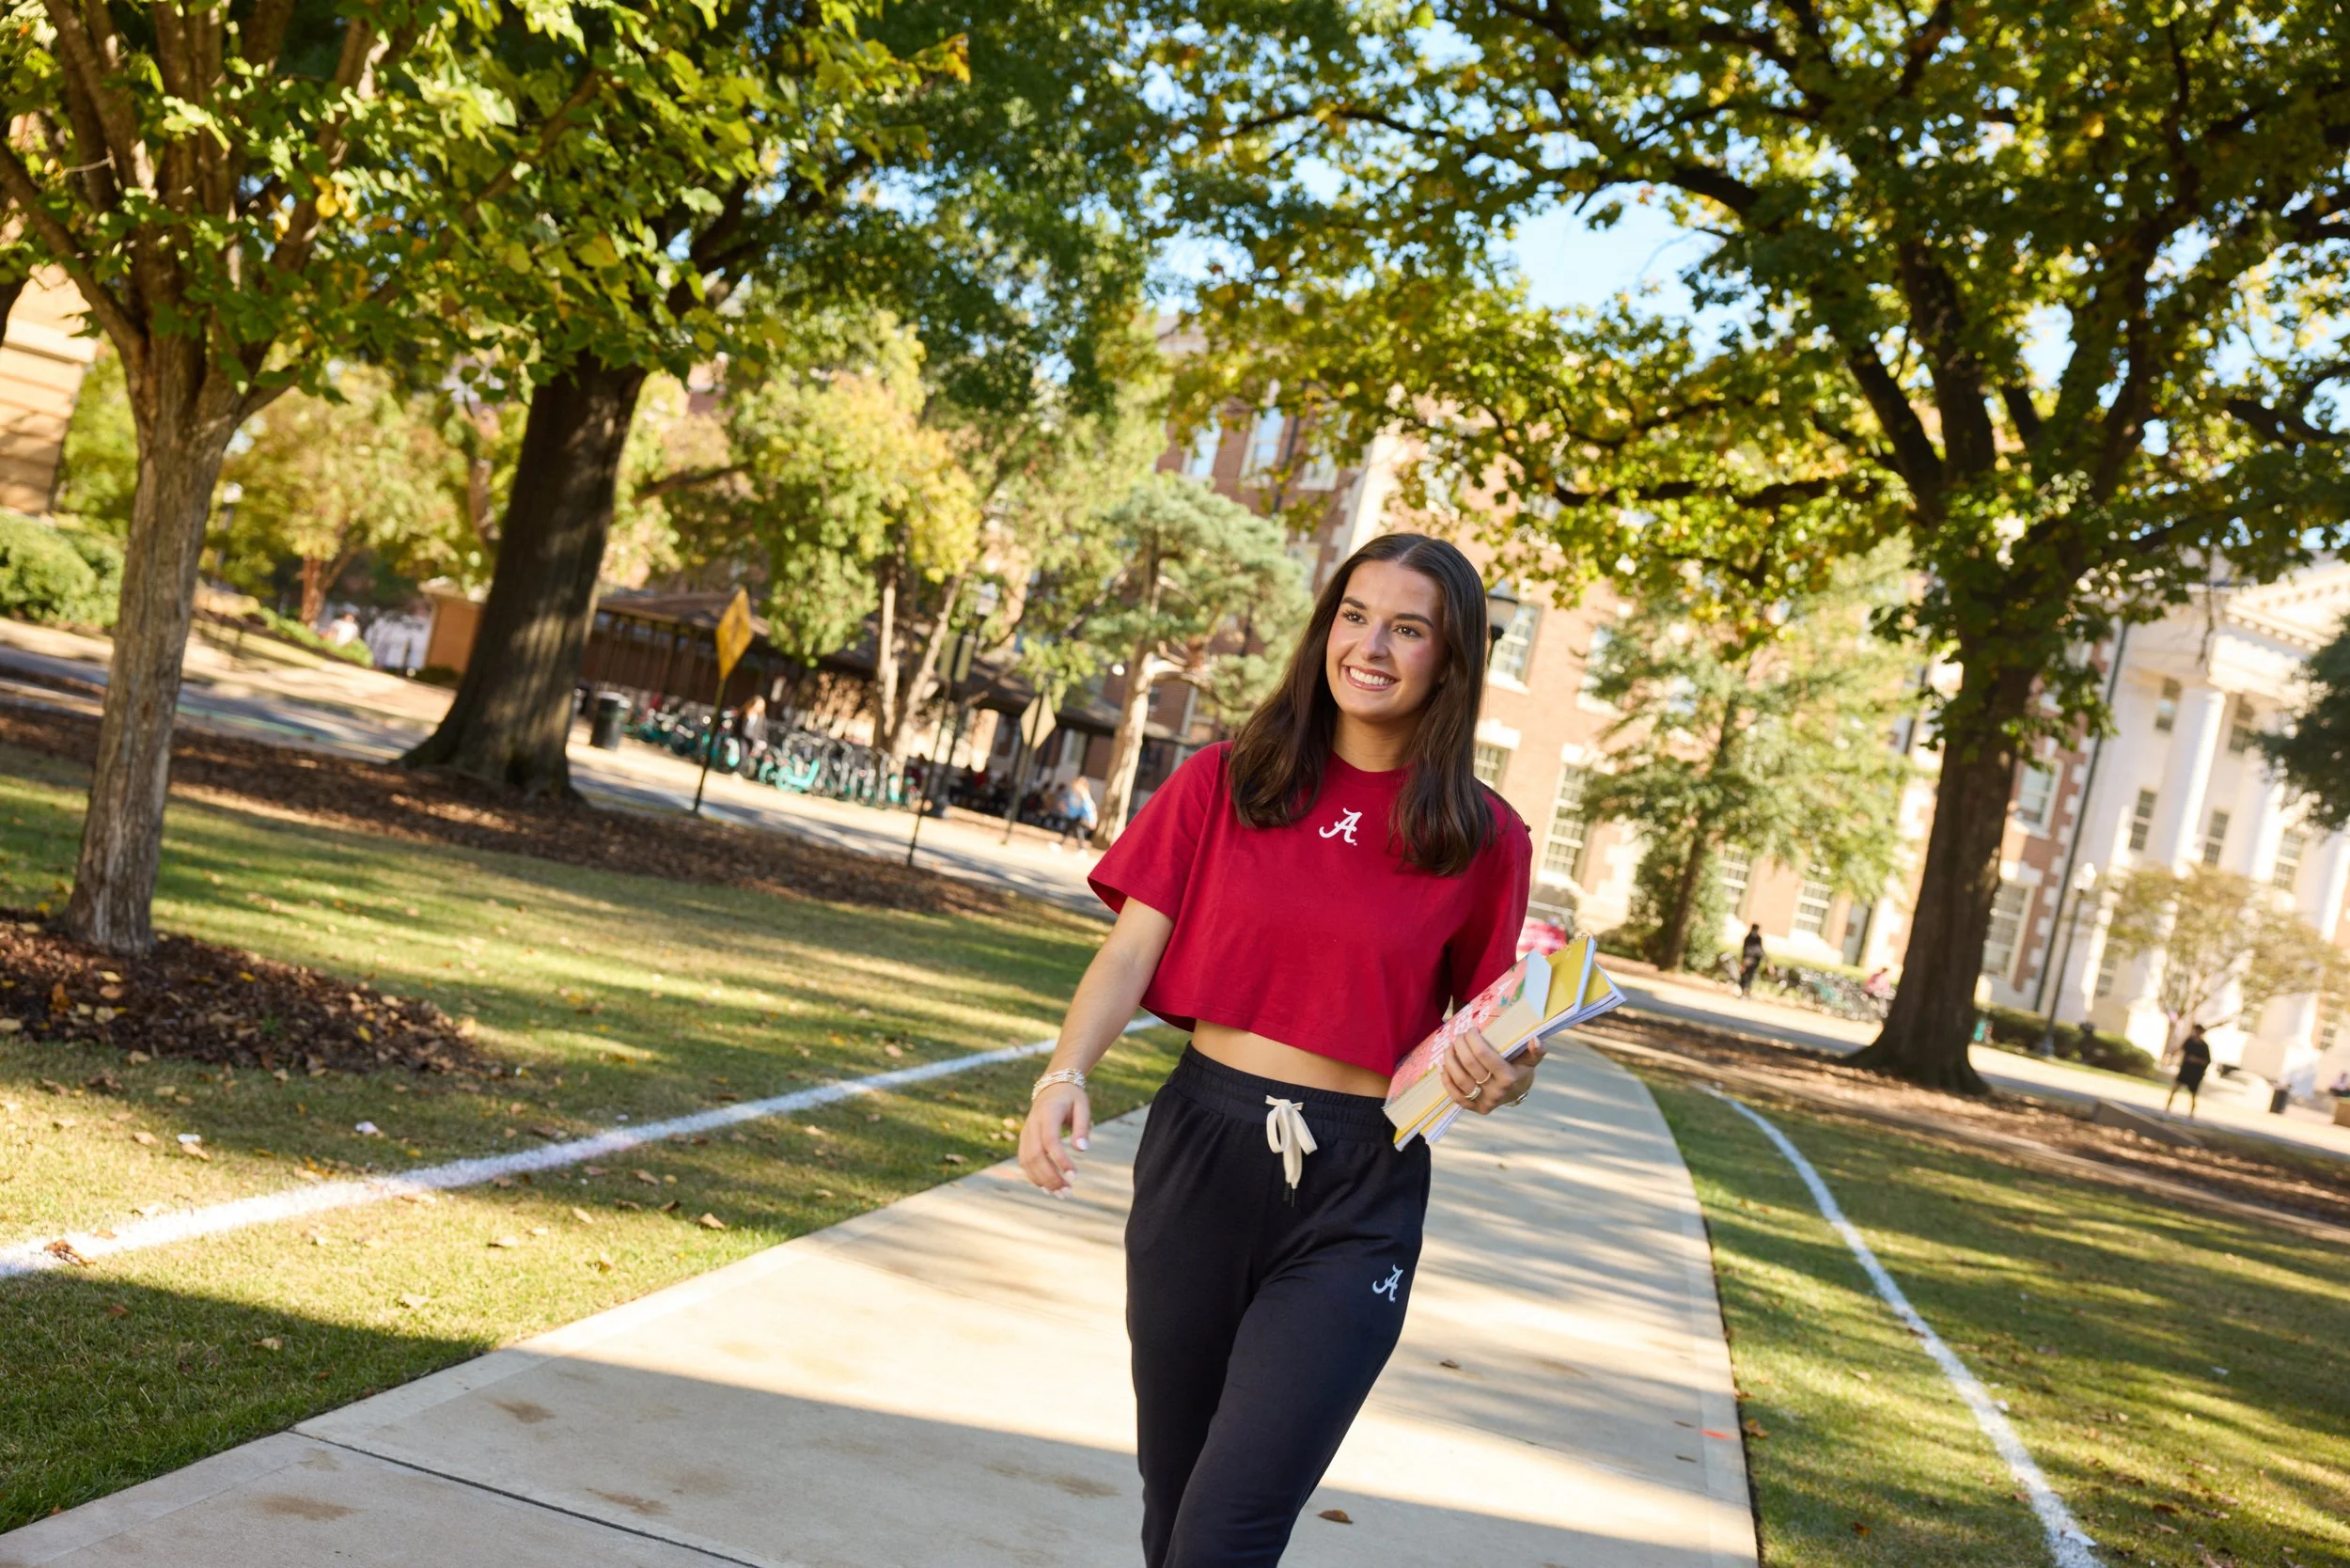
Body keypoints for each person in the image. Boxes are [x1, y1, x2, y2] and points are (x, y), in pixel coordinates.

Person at [1018, 533, 1534, 1568]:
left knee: (1229, 1527)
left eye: (1408, 627)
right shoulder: (1224, 781)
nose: (1371, 646)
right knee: (1175, 1509)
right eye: (1353, 615)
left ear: (1452, 657)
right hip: (1201, 1154)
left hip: (1358, 1186)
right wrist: (1062, 1075)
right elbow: (1127, 956)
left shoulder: (1484, 837)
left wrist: (1505, 1077)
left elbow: (1496, 1036)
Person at [2165, 1024, 2214, 1117]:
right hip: (2185, 1070)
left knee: (2193, 1095)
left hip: (2195, 1073)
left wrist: (2195, 1060)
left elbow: (2207, 1061)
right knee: (2174, 1089)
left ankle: (2191, 1113)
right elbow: (2180, 1049)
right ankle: (2167, 1108)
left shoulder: (2204, 1046)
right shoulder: (2189, 1041)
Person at [1052, 774, 1097, 851]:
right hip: (1072, 815)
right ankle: (1065, 845)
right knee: (1070, 830)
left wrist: (1092, 820)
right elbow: (1070, 803)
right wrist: (1065, 807)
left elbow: (1088, 807)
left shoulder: (1084, 795)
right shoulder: (1072, 793)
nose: (1075, 786)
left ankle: (1080, 848)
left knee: (1076, 830)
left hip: (1080, 816)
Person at [1738, 923, 1765, 998]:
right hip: (1748, 961)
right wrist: (1744, 961)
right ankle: (1744, 991)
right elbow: (1746, 950)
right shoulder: (1749, 938)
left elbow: (1759, 950)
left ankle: (1747, 992)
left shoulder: (1757, 939)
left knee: (1749, 977)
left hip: (1754, 961)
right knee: (1745, 977)